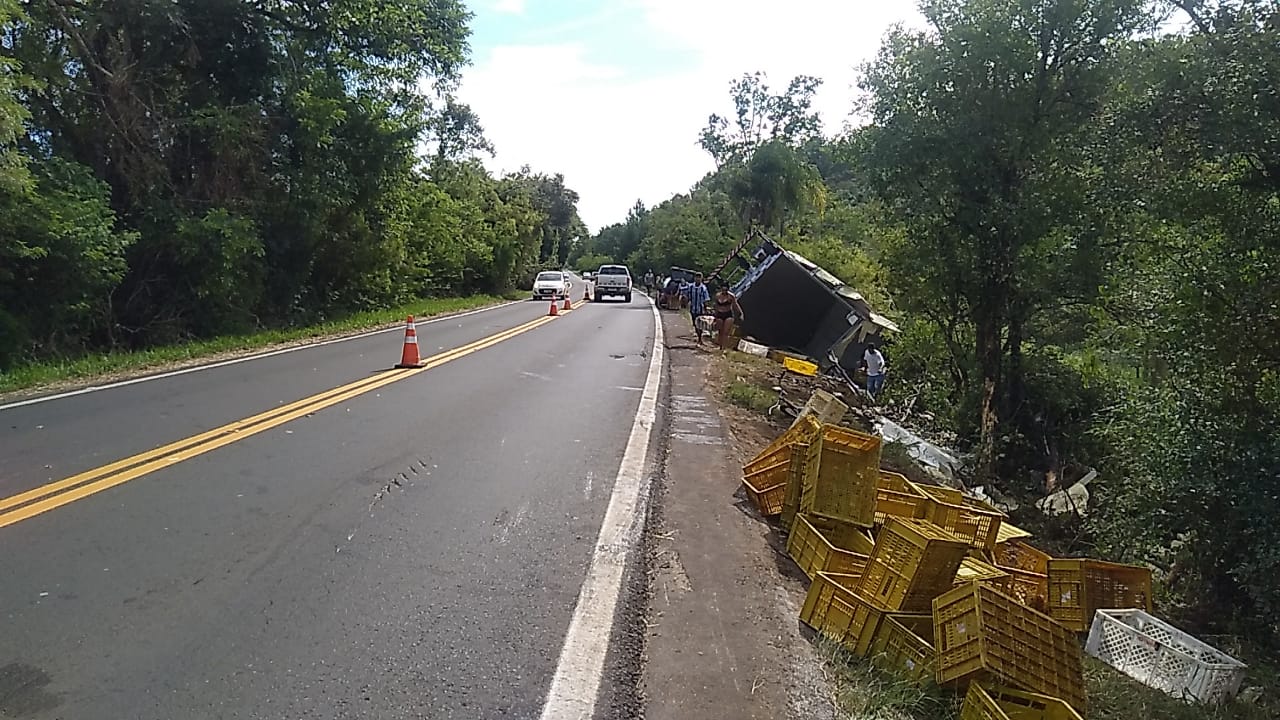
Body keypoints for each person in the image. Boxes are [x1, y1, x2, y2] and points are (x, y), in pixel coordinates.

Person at [710, 284, 744, 351]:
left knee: (726, 332)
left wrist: (740, 313)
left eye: (725, 290)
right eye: (723, 290)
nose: (724, 291)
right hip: (719, 314)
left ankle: (724, 347)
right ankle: (720, 345)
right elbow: (716, 306)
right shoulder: (718, 296)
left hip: (728, 314)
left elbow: (735, 305)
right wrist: (715, 315)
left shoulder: (731, 296)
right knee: (720, 331)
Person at [683, 272, 711, 343]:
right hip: (693, 308)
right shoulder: (691, 287)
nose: (698, 279)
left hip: (700, 309)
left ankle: (700, 338)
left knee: (700, 324)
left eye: (699, 278)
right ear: (695, 278)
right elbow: (688, 296)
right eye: (696, 277)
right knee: (695, 324)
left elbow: (706, 299)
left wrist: (706, 308)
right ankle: (698, 336)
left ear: (701, 279)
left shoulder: (703, 288)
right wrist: (685, 303)